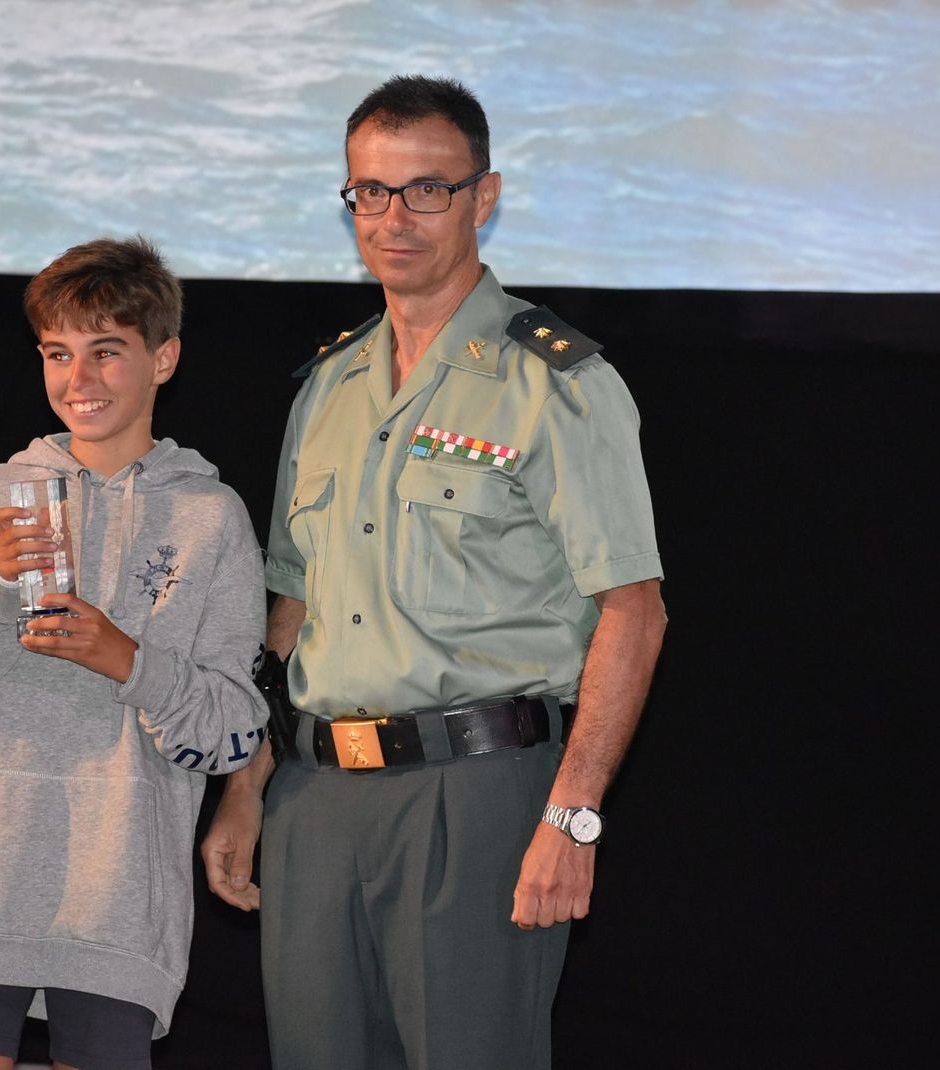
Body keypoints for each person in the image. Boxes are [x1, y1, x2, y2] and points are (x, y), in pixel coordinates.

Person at [200, 76, 667, 1069]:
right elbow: (291, 610)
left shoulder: (557, 383)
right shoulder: (327, 387)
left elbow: (632, 611)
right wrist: (247, 787)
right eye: (369, 191)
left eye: (426, 190)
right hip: (316, 801)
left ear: (482, 198)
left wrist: (572, 818)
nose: (393, 217)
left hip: (478, 795)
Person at [0, 236, 269, 1070]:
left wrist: (127, 659)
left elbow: (235, 728)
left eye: (107, 352)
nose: (79, 380)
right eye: (58, 354)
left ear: (163, 358)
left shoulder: (212, 519)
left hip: (120, 893)